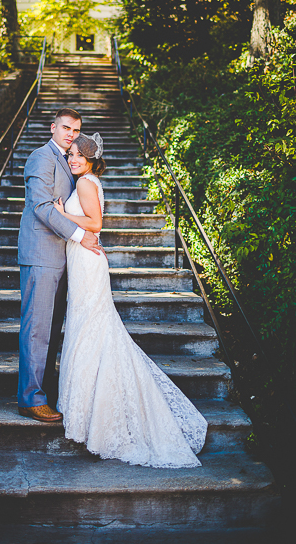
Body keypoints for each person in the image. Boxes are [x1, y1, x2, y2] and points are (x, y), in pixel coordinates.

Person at [53, 133, 207, 467]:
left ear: (92, 159)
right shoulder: (90, 181)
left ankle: (95, 412)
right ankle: (91, 407)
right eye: (70, 155)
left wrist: (61, 214)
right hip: (84, 260)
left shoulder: (83, 184)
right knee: (90, 328)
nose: (73, 160)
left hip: (88, 261)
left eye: (79, 155)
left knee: (91, 329)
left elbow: (94, 224)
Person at [16, 108, 102, 423]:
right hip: (41, 254)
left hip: (63, 257)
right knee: (37, 328)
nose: (70, 134)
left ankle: (45, 392)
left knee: (52, 329)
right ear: (53, 127)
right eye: (65, 127)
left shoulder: (70, 162)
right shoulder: (42, 158)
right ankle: (30, 398)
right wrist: (81, 235)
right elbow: (40, 206)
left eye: (75, 130)